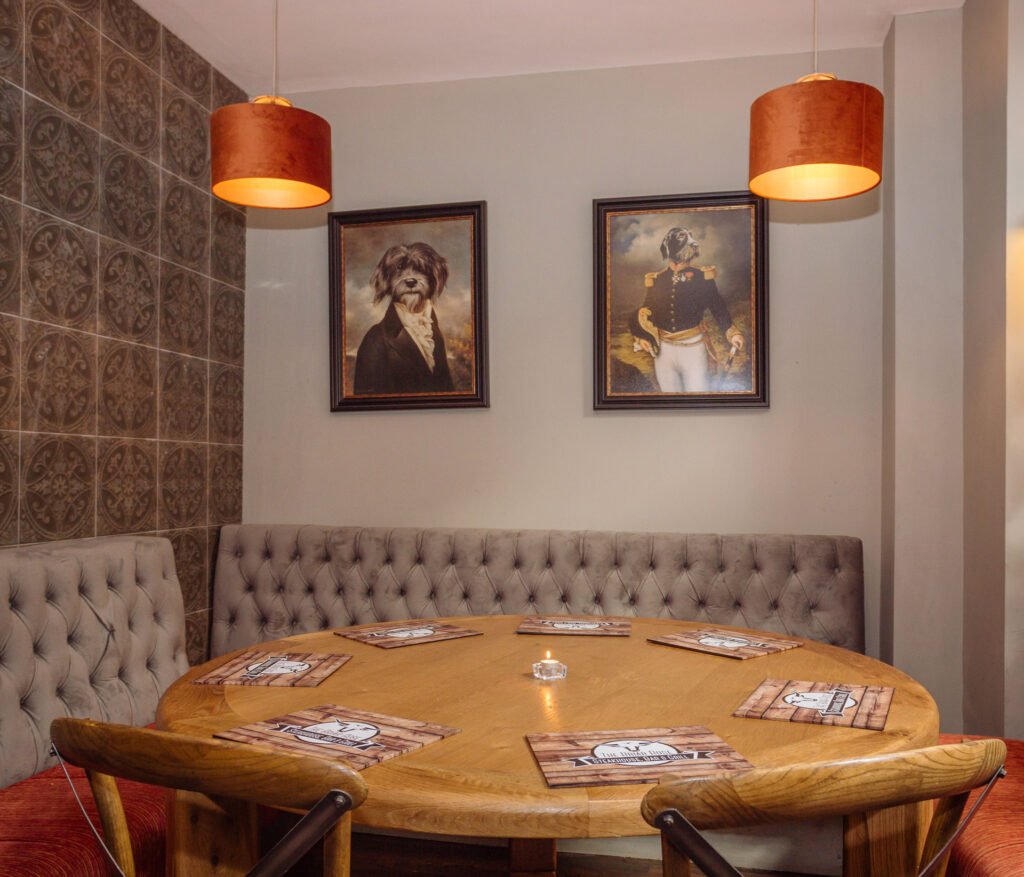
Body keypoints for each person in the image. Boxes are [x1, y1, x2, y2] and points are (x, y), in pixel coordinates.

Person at [629, 227, 744, 393]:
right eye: (684, 238)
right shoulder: (657, 280)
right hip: (663, 351)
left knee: (698, 398)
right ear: (669, 247)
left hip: (693, 348)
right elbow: (645, 312)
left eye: (690, 238)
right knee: (670, 401)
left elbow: (718, 307)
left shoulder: (702, 277)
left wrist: (732, 333)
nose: (692, 243)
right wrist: (641, 336)